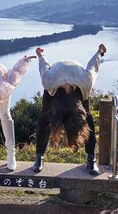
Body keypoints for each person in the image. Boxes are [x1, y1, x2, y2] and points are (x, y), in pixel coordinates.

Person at [32, 44, 106, 175]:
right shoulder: (49, 82)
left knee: (87, 119)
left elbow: (93, 66)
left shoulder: (85, 82)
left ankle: (91, 158)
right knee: (45, 119)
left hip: (77, 82)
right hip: (56, 80)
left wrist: (100, 53)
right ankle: (39, 156)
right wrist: (40, 55)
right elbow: (45, 67)